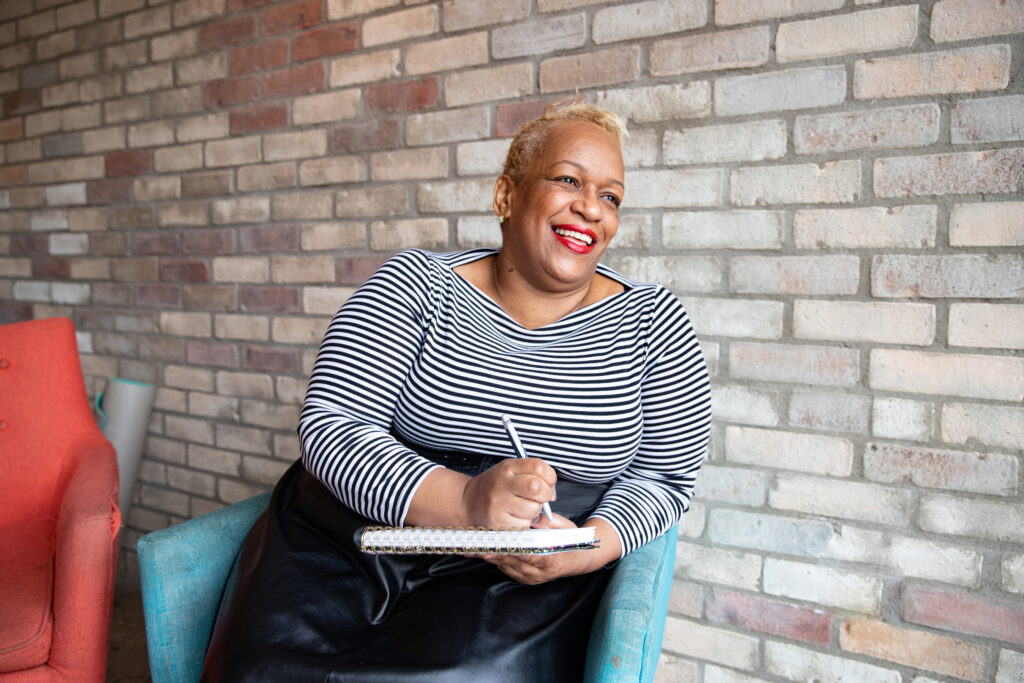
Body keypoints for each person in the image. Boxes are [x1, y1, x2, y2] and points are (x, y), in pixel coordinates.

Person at [201, 100, 711, 682]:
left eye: (611, 195)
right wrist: (468, 503)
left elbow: (664, 479)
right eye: (568, 179)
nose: (591, 208)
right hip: (352, 547)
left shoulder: (655, 325)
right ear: (506, 196)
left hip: (520, 578)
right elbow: (332, 428)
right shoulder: (413, 285)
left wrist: (588, 546)